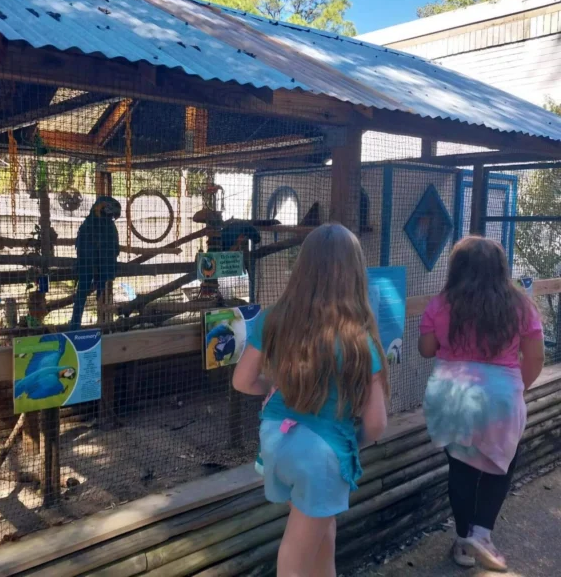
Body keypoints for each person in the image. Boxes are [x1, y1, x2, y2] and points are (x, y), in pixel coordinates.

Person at [233, 223, 389, 577]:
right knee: (296, 551)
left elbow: (242, 381)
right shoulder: (359, 340)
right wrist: (348, 446)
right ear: (354, 273)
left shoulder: (275, 318)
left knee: (323, 530)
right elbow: (377, 422)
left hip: (276, 439)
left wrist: (274, 385)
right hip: (321, 453)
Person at [419, 236, 545, 571]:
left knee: (460, 467)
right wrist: (516, 389)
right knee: (500, 465)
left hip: (451, 395)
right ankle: (482, 533)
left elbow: (426, 349)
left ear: (456, 268)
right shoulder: (521, 306)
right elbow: (535, 357)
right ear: (501, 269)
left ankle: (463, 541)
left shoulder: (441, 304)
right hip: (499, 397)